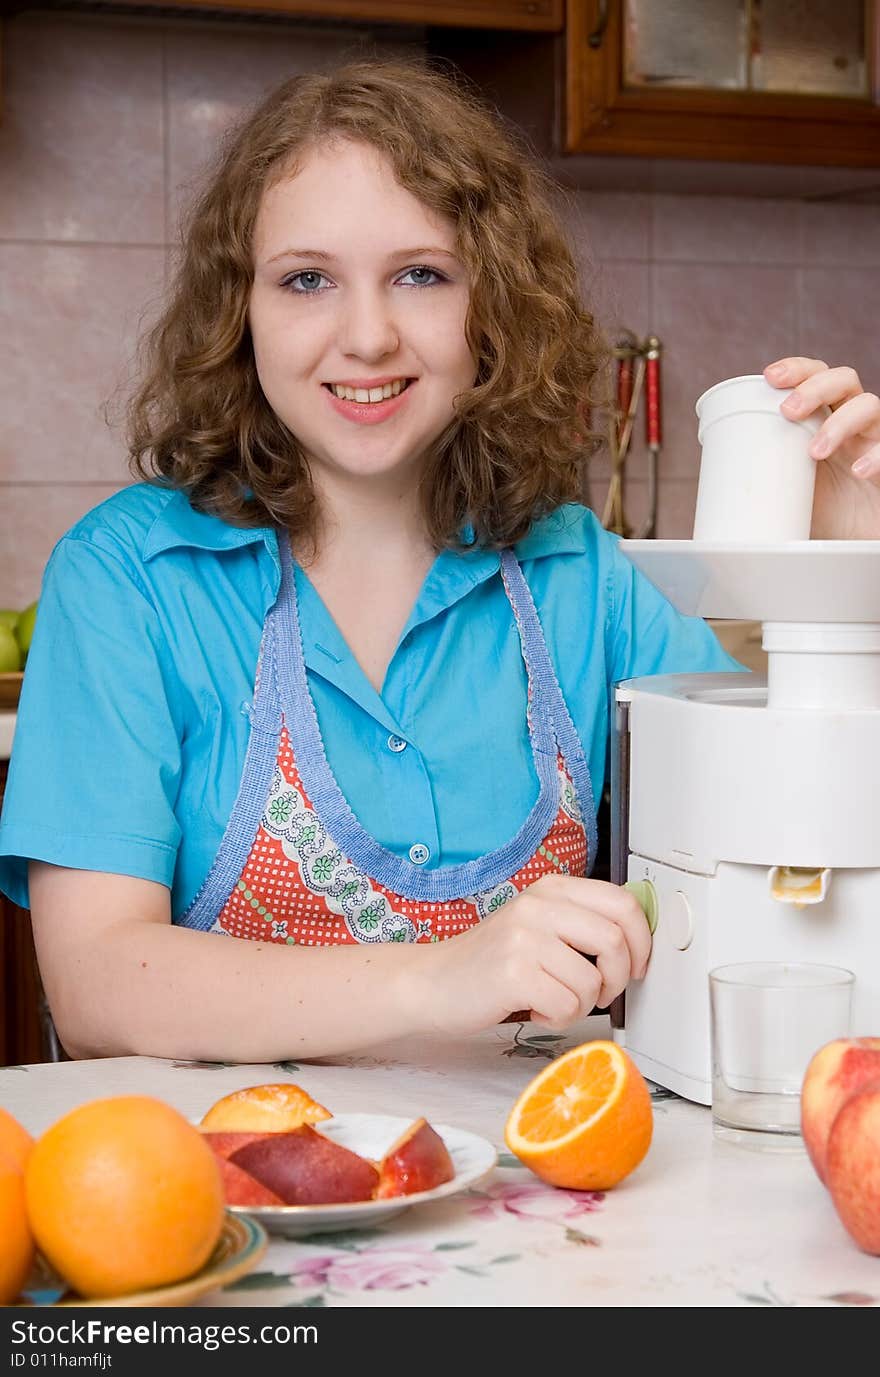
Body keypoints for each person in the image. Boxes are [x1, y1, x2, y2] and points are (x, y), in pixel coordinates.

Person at [1, 60, 878, 1064]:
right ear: (240, 317)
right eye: (306, 280)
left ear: (489, 308)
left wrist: (846, 575)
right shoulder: (131, 578)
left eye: (420, 275)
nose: (367, 336)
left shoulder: (582, 576)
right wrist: (442, 973)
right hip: (220, 1197)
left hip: (541, 1198)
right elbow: (99, 985)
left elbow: (800, 844)